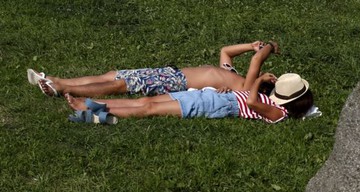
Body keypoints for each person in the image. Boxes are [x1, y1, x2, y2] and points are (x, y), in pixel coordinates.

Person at [27, 41, 279, 98]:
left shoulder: (245, 88)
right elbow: (225, 51)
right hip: (169, 73)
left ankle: (61, 88)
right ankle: (54, 79)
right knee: (114, 75)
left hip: (173, 82)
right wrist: (250, 45)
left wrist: (269, 47)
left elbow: (257, 62)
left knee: (120, 84)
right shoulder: (234, 77)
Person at [65, 72, 314, 125]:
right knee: (145, 102)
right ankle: (90, 105)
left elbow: (249, 103)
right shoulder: (276, 105)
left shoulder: (279, 113)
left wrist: (259, 82)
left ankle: (90, 108)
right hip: (214, 97)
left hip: (216, 104)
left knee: (149, 107)